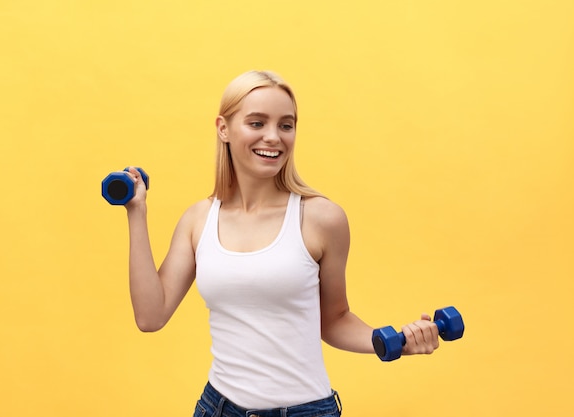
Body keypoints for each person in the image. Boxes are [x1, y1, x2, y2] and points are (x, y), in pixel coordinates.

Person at [122, 70, 440, 417]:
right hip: (218, 408)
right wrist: (136, 212)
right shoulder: (199, 220)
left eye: (285, 125)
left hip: (305, 411)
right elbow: (150, 316)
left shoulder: (321, 218)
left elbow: (333, 319)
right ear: (223, 129)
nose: (273, 137)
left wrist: (393, 343)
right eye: (257, 123)